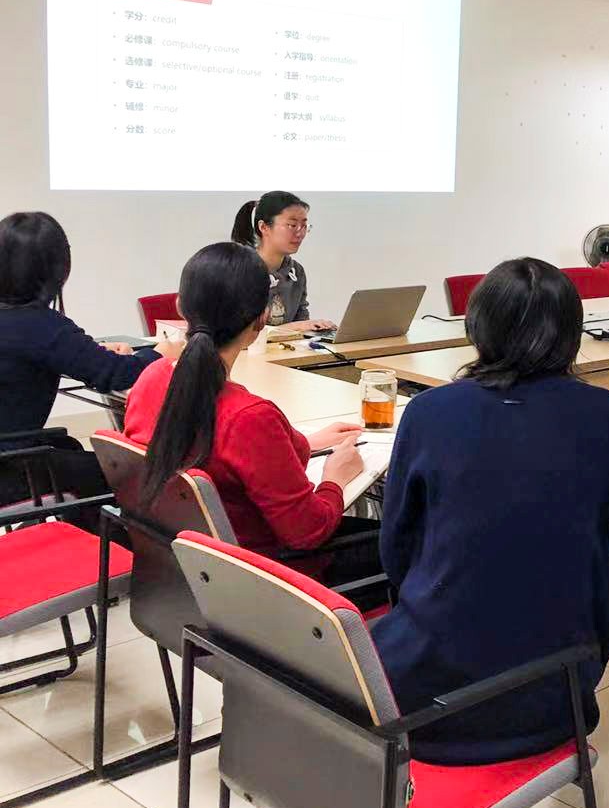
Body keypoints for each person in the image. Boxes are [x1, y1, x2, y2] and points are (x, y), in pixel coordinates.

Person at [372, 258, 609, 766]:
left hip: (411, 698)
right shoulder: (599, 413)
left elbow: (396, 553)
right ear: (572, 335)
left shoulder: (428, 412)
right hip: (550, 695)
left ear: (477, 328)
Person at [124, 242, 368, 566]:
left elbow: (216, 453)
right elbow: (308, 532)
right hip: (266, 576)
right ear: (261, 321)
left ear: (180, 306)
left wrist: (302, 443)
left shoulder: (151, 378)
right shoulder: (249, 417)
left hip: (181, 566)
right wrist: (335, 478)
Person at [0, 211, 177, 507]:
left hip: (12, 453)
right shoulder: (43, 326)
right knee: (130, 474)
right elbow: (116, 375)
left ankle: (78, 531)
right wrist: (160, 353)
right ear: (57, 269)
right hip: (12, 470)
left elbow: (26, 355)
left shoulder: (27, 325)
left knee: (69, 447)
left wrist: (95, 350)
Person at [230, 192, 334, 335]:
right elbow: (240, 333)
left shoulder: (296, 271)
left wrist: (315, 328)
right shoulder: (239, 269)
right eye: (292, 225)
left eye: (304, 226)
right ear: (264, 227)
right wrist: (297, 327)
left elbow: (301, 321)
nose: (300, 233)